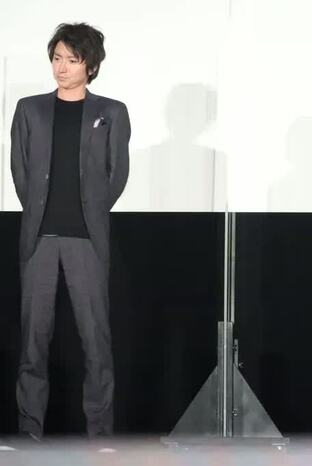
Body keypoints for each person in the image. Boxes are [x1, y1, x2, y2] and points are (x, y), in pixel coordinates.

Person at [11, 22, 130, 440]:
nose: (62, 67)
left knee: (96, 341)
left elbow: (117, 174)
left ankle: (100, 436)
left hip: (87, 240)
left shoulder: (111, 112)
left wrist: (91, 211)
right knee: (32, 343)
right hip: (39, 240)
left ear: (90, 66)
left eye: (72, 60)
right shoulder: (29, 109)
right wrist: (39, 211)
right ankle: (29, 433)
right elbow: (21, 171)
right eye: (57, 58)